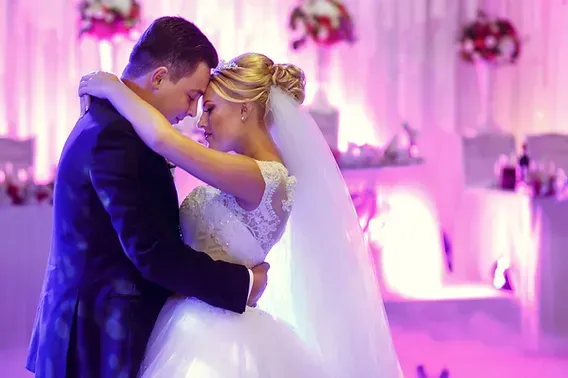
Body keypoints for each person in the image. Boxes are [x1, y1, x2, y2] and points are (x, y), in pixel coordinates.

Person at [77, 50, 403, 376]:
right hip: (198, 315)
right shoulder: (249, 173)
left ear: (244, 109)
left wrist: (114, 89)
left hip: (215, 335)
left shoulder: (264, 176)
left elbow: (164, 140)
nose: (201, 122)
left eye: (210, 109)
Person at [26, 17, 269, 378]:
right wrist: (244, 283)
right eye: (191, 96)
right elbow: (153, 252)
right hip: (97, 339)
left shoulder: (108, 121)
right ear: (158, 77)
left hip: (89, 328)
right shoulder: (118, 137)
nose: (191, 112)